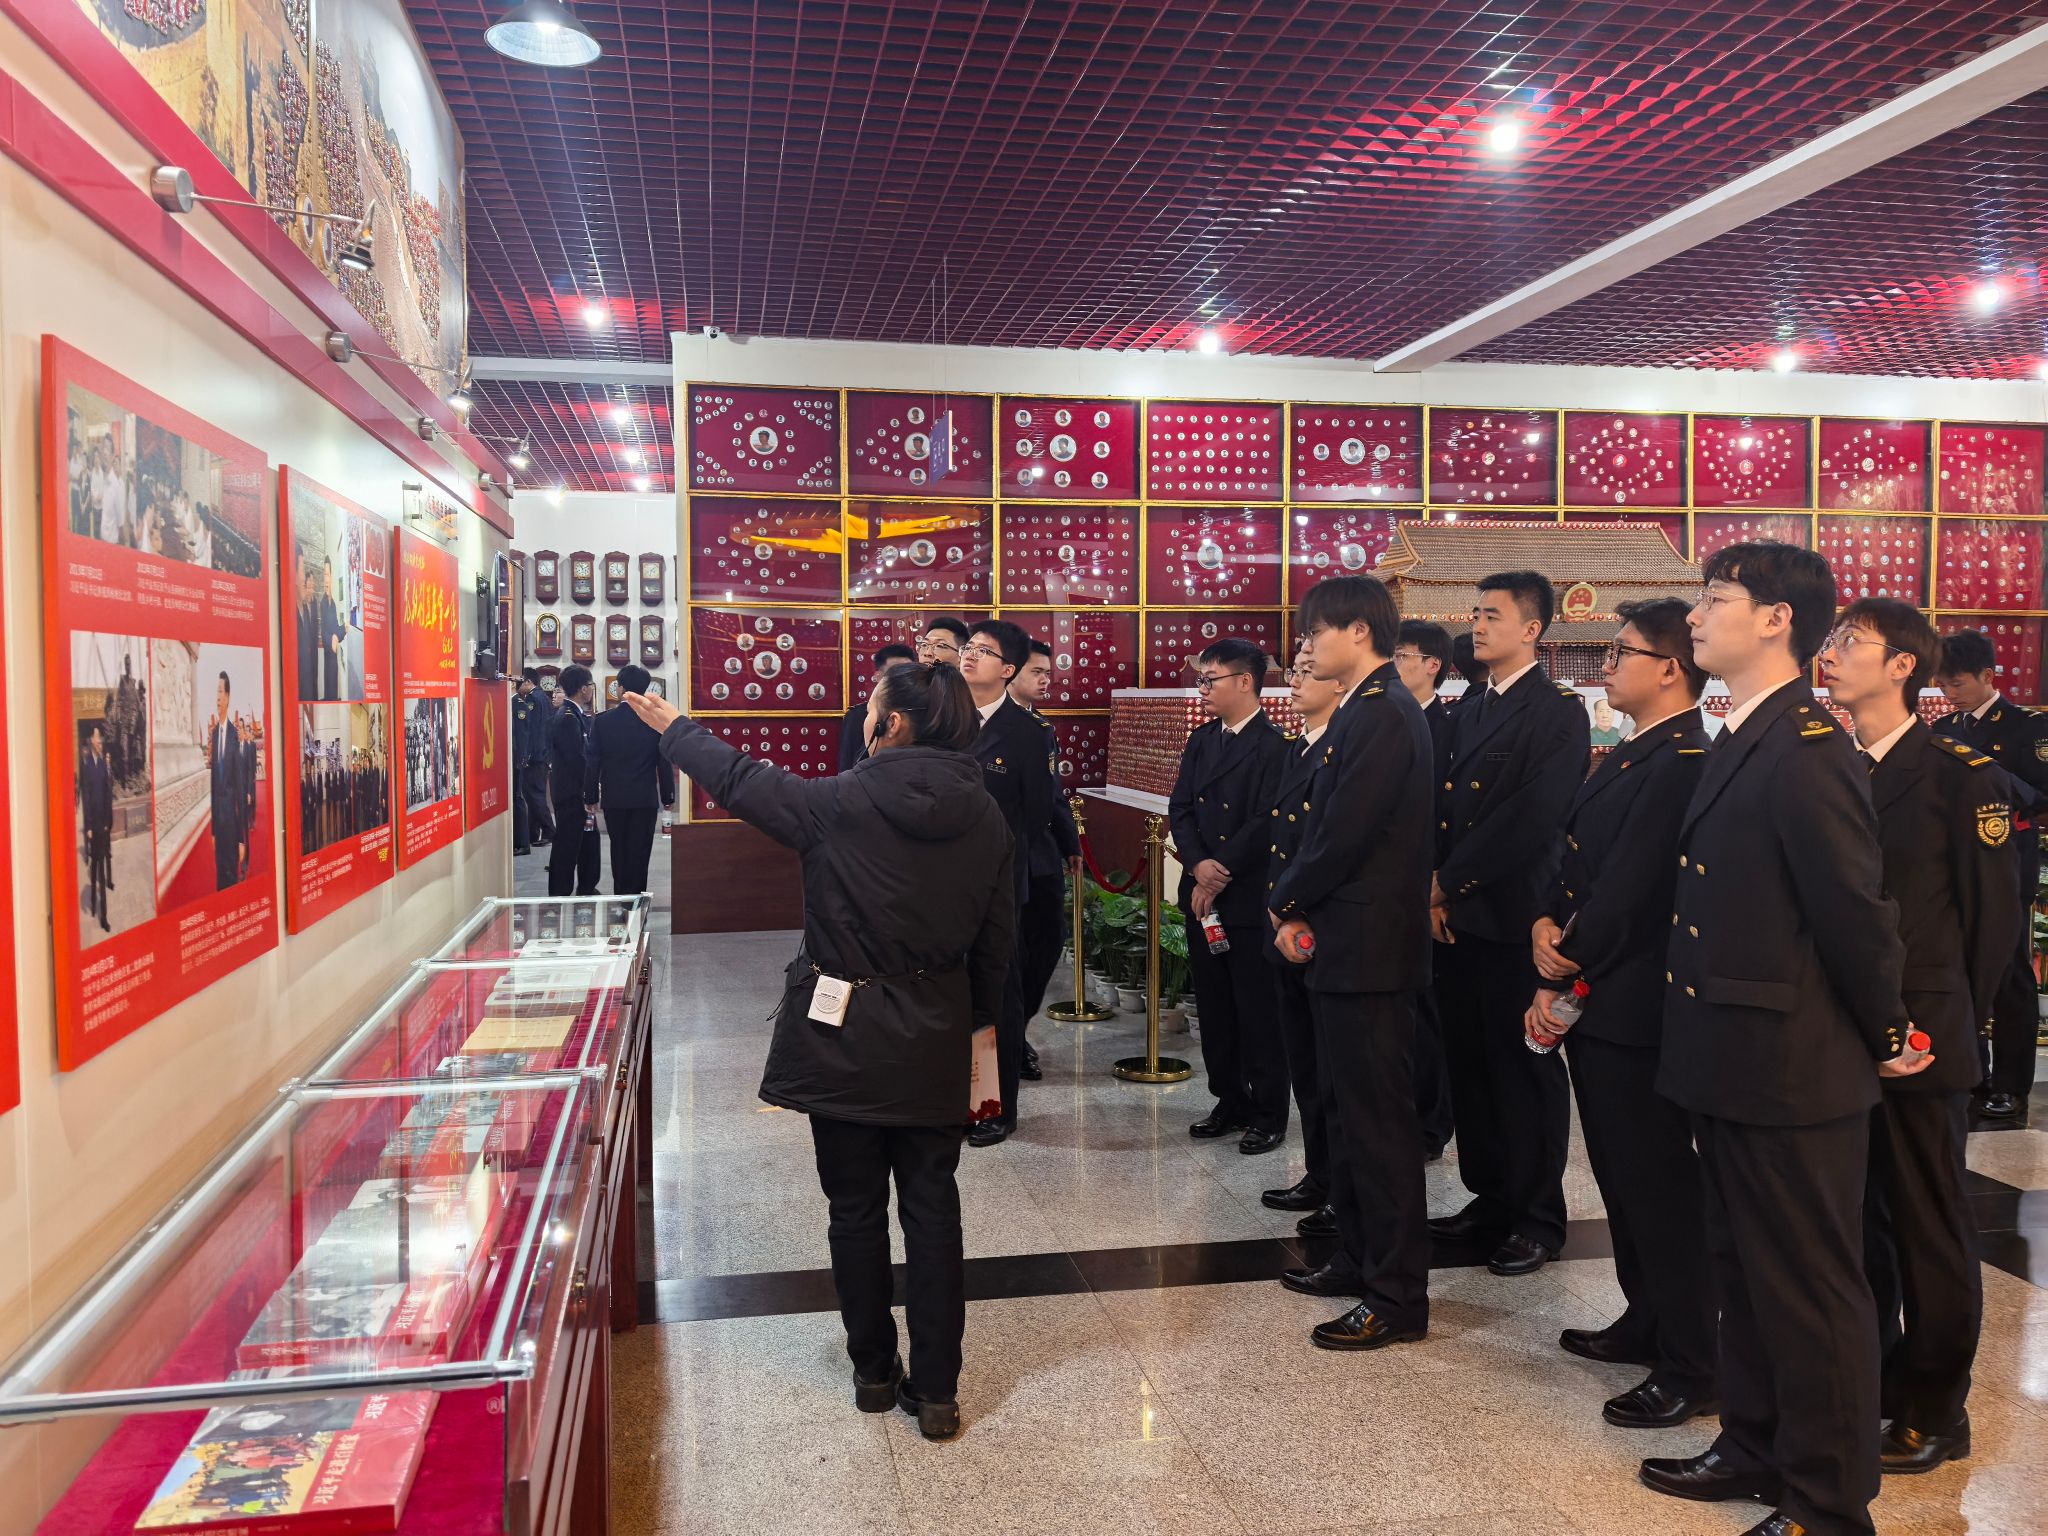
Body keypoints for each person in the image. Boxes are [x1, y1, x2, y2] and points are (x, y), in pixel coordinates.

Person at [619, 661, 1014, 1441]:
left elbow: (740, 779)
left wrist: (676, 730)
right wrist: (968, 1031)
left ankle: (873, 1372)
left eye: (871, 708)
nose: (864, 718)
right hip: (936, 1031)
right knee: (934, 1210)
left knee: (854, 1209)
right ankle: (938, 1390)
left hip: (844, 1032)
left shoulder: (835, 803)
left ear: (891, 724)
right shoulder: (988, 815)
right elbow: (999, 947)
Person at [1643, 542, 1919, 1536]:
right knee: (1744, 1270)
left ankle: (1826, 1501)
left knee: (1808, 1288)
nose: (1695, 617)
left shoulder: (1806, 749)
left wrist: (1886, 1029)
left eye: (1715, 598)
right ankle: (1754, 1445)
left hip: (1790, 1065)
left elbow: (1853, 912)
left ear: (1775, 620)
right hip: (1731, 1054)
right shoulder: (1748, 733)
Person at [1820, 599, 2016, 1477]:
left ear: (1903, 665)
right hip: (1839, 1032)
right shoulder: (1830, 765)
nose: (1831, 655)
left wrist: (1948, 1021)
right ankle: (1874, 1382)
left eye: (1850, 643)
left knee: (1928, 1225)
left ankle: (1936, 1408)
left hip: (1923, 1034)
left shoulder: (1959, 775)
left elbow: (1991, 924)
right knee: (1859, 1223)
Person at [1526, 599, 1716, 1429]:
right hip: (1599, 993)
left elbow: (1633, 888)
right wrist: (1543, 921)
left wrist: (1564, 955)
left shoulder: (1683, 759)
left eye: (1620, 652)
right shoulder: (1637, 749)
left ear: (1671, 668)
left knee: (1659, 1185)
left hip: (1636, 1000)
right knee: (1621, 1176)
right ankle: (1646, 1316)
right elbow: (1572, 860)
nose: (1605, 665)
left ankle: (1694, 1360)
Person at [1268, 574, 1434, 1351]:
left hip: (1371, 951)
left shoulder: (1384, 714)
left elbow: (1344, 833)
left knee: (1379, 1126)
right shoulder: (1365, 710)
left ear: (1359, 631)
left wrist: (1286, 898)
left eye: (1316, 632)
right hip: (1346, 945)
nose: (1307, 648)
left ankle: (1396, 1295)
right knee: (1349, 1115)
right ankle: (1361, 1259)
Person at [1428, 572, 1589, 1277]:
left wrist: (1447, 881)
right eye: (1476, 612)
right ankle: (1490, 1196)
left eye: (1493, 615)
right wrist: (1436, 891)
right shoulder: (1469, 706)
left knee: (1523, 1070)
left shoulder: (1555, 713)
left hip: (1516, 916)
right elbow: (1441, 808)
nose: (1478, 625)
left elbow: (1529, 819)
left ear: (1532, 629)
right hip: (1457, 917)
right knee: (1469, 1065)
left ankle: (1536, 1216)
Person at [1169, 637, 1291, 1152]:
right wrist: (1198, 865)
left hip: (1244, 896)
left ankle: (1268, 1111)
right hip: (1203, 894)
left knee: (1257, 1008)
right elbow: (1180, 808)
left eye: (1210, 679)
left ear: (1245, 681)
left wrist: (1218, 872)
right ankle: (1229, 1098)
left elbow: (1267, 820)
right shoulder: (1202, 740)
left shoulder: (1275, 746)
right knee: (1215, 1007)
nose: (1202, 689)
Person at [1930, 628, 2047, 1125]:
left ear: (1988, 676)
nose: (1949, 694)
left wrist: (1987, 778)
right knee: (1959, 967)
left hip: (2006, 859)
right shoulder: (1945, 728)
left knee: (2008, 971)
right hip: (1951, 862)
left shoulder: (2027, 728)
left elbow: (2041, 796)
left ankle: (2011, 1086)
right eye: (1942, 685)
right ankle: (1971, 1074)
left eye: (1957, 683)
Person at [958, 619, 1059, 1147]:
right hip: (940, 885)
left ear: (1008, 669)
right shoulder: (942, 717)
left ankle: (994, 1108)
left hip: (997, 886)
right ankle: (953, 1100)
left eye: (985, 651)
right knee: (947, 994)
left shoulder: (1027, 734)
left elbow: (1037, 814)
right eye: (969, 646)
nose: (970, 655)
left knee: (998, 998)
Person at [1259, 640, 1341, 1226]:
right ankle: (1320, 1173)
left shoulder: (1343, 750)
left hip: (1320, 925)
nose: (1295, 680)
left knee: (1333, 1072)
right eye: (1294, 669)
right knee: (1306, 1064)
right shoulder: (1299, 747)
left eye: (1309, 671)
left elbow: (1328, 846)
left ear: (1340, 682)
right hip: (1285, 924)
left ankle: (1342, 1187)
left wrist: (1290, 905)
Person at [1394, 618, 1456, 1160]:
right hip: (1389, 889)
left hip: (1429, 889)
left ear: (1433, 664)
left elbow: (1449, 817)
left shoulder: (1447, 726)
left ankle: (1430, 1125)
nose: (1394, 664)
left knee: (1428, 1014)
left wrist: (1441, 888)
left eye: (1402, 655)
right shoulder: (1385, 719)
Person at [1009, 639, 1082, 1077]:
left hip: (1041, 855)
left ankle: (1016, 1028)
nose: (1045, 680)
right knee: (1011, 955)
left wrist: (1071, 843)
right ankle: (1010, 1041)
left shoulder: (1041, 727)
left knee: (1047, 945)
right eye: (1036, 672)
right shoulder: (983, 725)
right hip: (1005, 857)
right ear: (1010, 671)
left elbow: (1053, 793)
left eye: (1048, 673)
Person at [583, 664, 676, 895]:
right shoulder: (654, 721)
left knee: (619, 850)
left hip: (614, 799)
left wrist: (590, 796)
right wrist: (668, 796)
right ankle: (637, 901)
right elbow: (663, 762)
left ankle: (621, 900)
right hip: (644, 798)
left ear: (621, 688)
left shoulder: (603, 721)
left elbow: (593, 762)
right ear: (645, 689)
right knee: (640, 853)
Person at [547, 666, 601, 897]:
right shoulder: (568, 718)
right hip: (570, 793)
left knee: (586, 841)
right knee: (567, 846)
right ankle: (559, 894)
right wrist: (590, 789)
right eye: (590, 685)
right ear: (582, 689)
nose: (591, 690)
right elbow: (577, 760)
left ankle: (587, 887)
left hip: (575, 791)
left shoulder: (574, 714)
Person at [842, 644, 918, 770]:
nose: (902, 679)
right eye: (895, 673)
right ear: (878, 677)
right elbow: (847, 763)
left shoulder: (924, 711)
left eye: (908, 673)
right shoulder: (857, 716)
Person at [208, 672, 246, 890]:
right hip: (219, 827)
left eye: (221, 692)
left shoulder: (234, 736)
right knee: (219, 877)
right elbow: (214, 786)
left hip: (231, 824)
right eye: (216, 692)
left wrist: (242, 839)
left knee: (231, 879)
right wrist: (213, 830)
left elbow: (240, 790)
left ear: (228, 697)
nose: (217, 697)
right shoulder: (214, 736)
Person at [80, 724, 114, 933]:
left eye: (100, 737)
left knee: (100, 867)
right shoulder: (87, 766)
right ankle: (95, 904)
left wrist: (109, 821)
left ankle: (103, 916)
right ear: (91, 741)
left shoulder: (102, 764)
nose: (100, 740)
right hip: (94, 825)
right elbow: (86, 799)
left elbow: (107, 794)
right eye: (97, 737)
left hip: (104, 824)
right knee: (95, 867)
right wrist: (89, 827)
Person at [518, 671, 556, 850]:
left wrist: (526, 755)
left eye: (520, 682)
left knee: (534, 795)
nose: (518, 687)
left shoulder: (532, 699)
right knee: (533, 795)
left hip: (535, 755)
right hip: (543, 753)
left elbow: (531, 729)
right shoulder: (544, 698)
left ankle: (549, 830)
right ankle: (533, 834)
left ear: (528, 681)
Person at [510, 673, 540, 855]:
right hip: (512, 760)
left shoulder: (518, 704)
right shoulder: (512, 702)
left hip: (516, 760)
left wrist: (520, 759)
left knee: (517, 798)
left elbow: (522, 735)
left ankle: (522, 843)